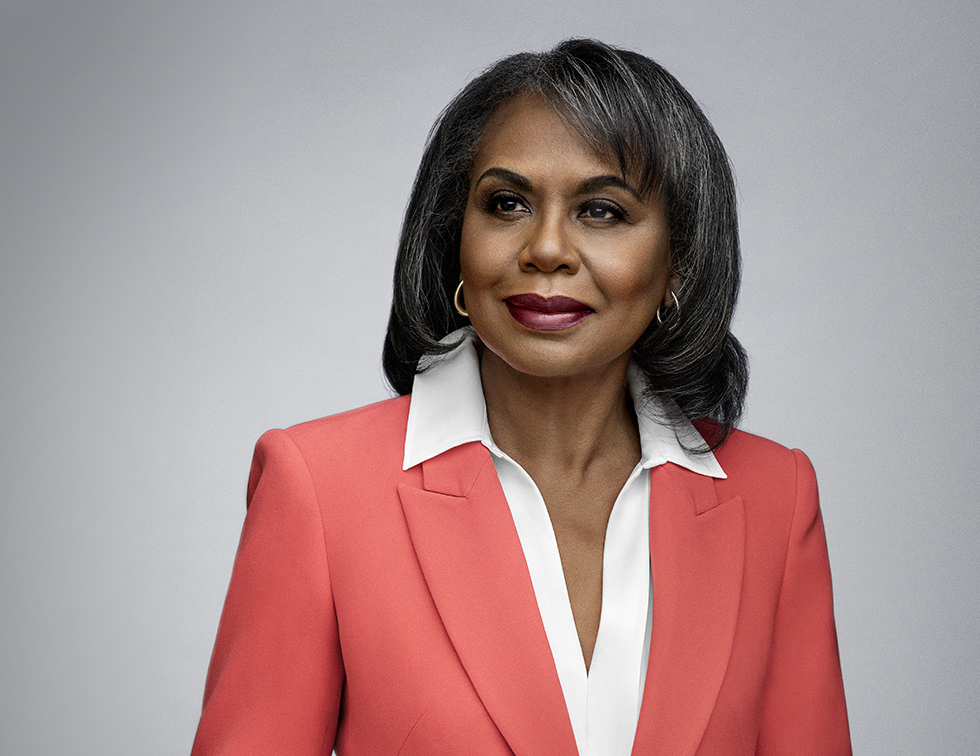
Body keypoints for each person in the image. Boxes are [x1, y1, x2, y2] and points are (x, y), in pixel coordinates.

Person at [192, 39, 851, 756]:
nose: (544, 248)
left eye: (600, 211)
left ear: (678, 266)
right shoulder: (319, 487)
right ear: (454, 241)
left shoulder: (775, 497)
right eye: (506, 203)